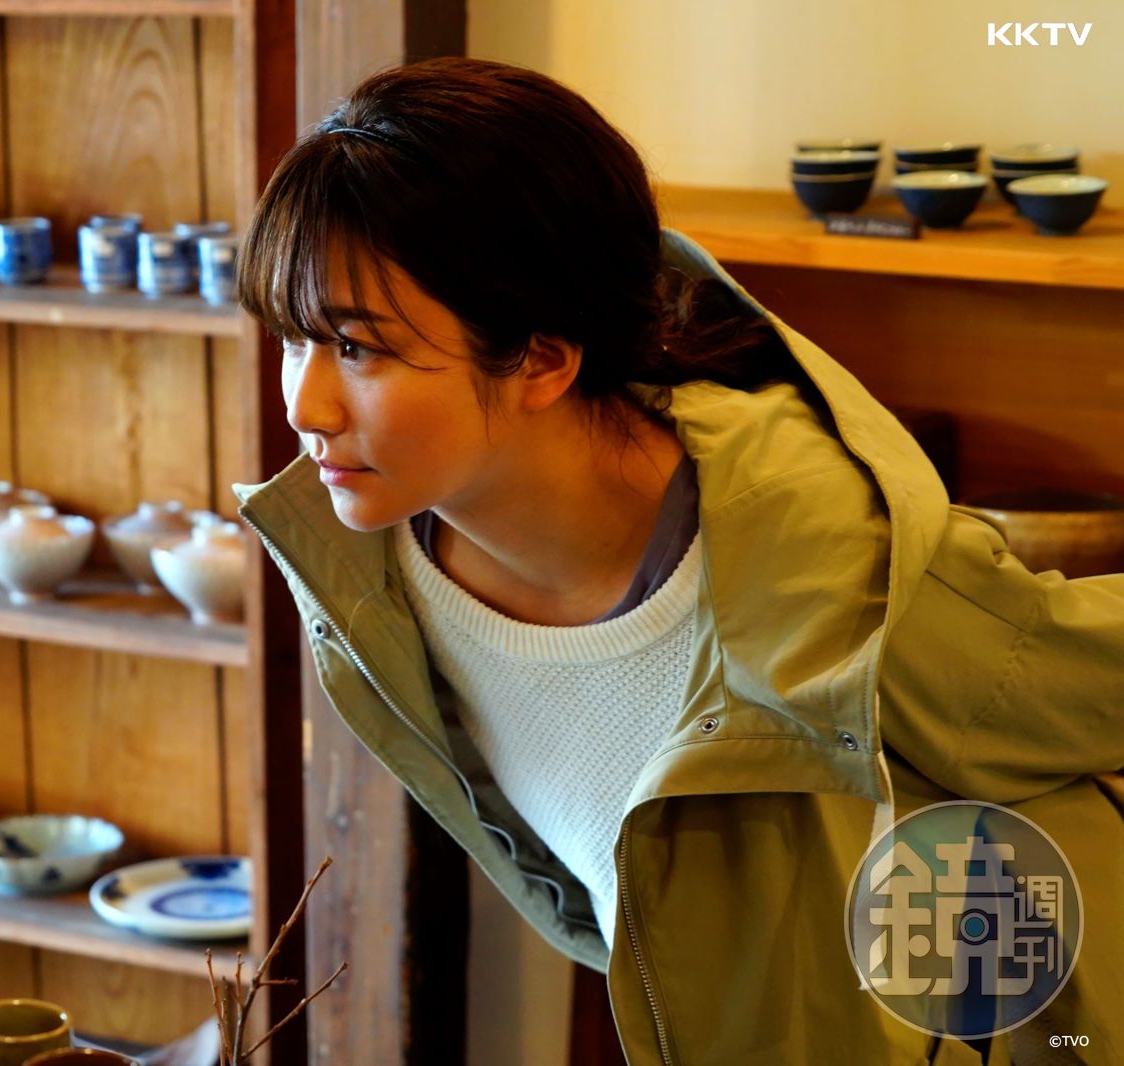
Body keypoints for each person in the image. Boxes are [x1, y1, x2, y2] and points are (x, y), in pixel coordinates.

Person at [229, 57, 1124, 1065]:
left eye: (360, 349)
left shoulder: (813, 556)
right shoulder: (369, 582)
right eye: (294, 339)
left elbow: (1076, 679)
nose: (303, 406)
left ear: (542, 358)